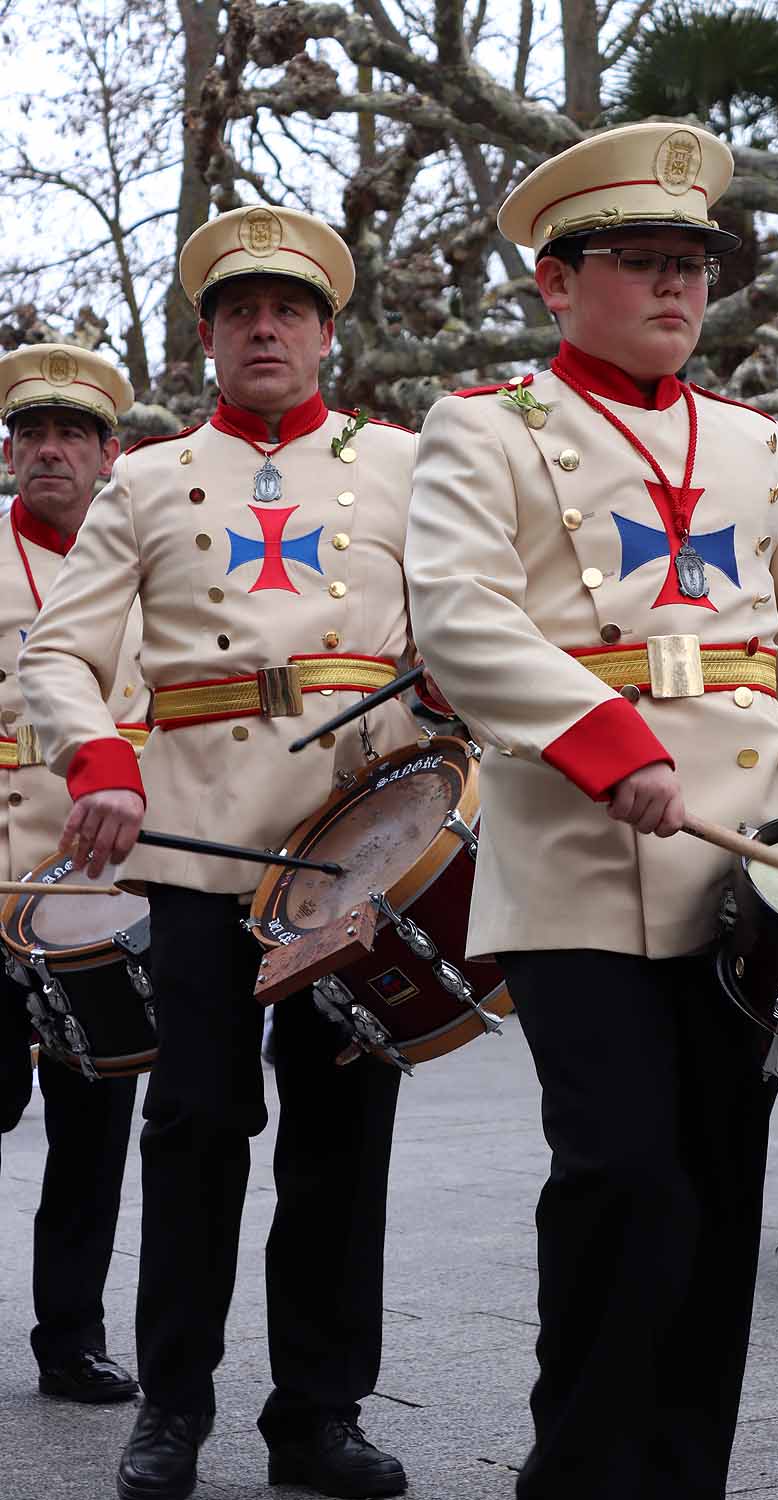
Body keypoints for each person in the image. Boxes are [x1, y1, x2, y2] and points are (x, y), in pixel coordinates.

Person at [403, 121, 778, 1500]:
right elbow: (464, 621)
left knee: (720, 1191)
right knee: (621, 1177)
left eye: (695, 264)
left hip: (744, 869)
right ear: (557, 282)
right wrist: (607, 743)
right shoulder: (481, 429)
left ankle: (680, 1476)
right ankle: (580, 1472)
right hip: (573, 860)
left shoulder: (747, 437)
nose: (677, 287)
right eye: (642, 261)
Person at [19, 207, 417, 1500]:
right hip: (197, 852)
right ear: (206, 338)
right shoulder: (139, 478)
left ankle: (319, 1415)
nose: (264, 327)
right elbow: (60, 655)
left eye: (288, 310)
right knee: (194, 1127)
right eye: (240, 310)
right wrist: (103, 760)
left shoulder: (411, 466)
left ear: (323, 335)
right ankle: (171, 1413)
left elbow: (468, 631)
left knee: (344, 1136)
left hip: (360, 843)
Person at [0, 344, 147, 1404]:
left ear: (109, 456)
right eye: (32, 434)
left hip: (106, 885)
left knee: (96, 1121)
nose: (50, 450)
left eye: (72, 435)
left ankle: (71, 1337)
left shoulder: (146, 562)